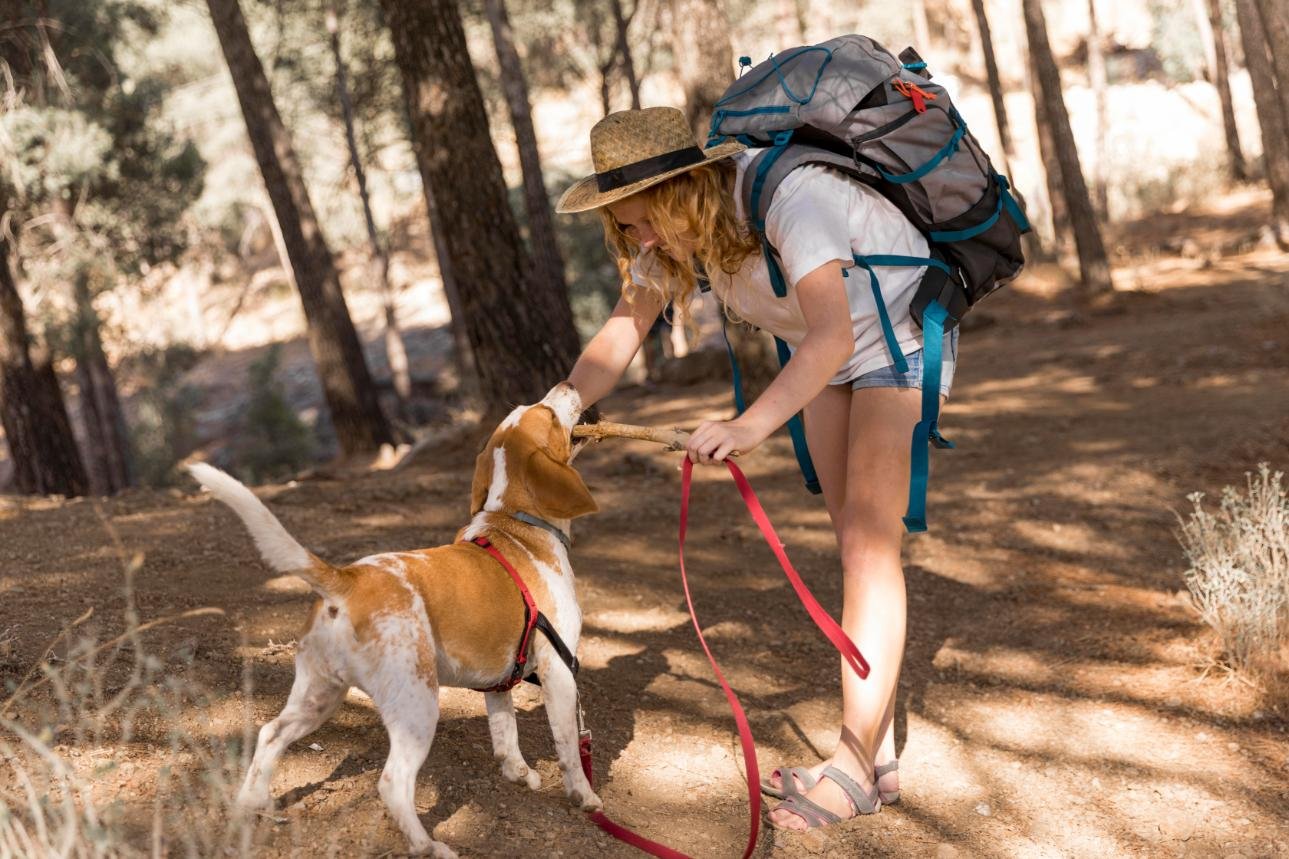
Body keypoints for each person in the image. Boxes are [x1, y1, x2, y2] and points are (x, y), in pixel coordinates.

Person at [554, 106, 956, 831]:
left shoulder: (793, 200)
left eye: (638, 220)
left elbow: (834, 333)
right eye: (621, 228)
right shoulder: (673, 236)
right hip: (829, 353)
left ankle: (854, 767)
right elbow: (622, 328)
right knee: (853, 546)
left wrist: (747, 426)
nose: (635, 238)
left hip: (892, 336)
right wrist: (558, 406)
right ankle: (878, 750)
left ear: (680, 192)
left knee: (870, 547)